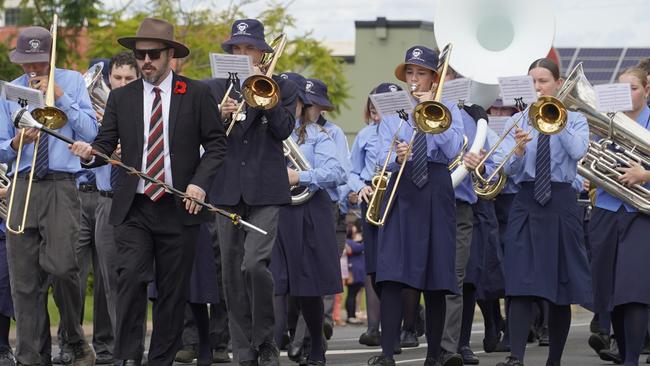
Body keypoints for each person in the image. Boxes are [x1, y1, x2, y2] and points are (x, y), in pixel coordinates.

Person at [69, 18, 226, 366]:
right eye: (140, 55)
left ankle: (161, 360)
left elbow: (216, 146)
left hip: (179, 207)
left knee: (172, 293)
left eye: (153, 54)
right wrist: (89, 153)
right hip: (134, 207)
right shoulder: (121, 98)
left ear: (171, 55)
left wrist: (199, 183)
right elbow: (106, 144)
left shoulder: (196, 93)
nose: (146, 62)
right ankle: (127, 357)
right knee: (130, 282)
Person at [0, 25, 98, 366]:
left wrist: (60, 95)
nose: (33, 69)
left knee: (63, 268)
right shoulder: (10, 90)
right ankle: (31, 355)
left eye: (39, 61)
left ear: (51, 57)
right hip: (23, 183)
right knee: (24, 279)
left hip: (61, 183)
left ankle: (73, 339)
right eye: (27, 62)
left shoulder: (72, 81)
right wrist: (16, 143)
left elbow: (92, 132)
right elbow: (0, 148)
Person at [203, 18, 298, 366]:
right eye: (237, 49)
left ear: (262, 53)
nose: (242, 54)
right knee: (230, 275)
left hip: (266, 189)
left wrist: (266, 96)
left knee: (254, 265)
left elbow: (285, 131)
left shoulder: (280, 87)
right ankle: (244, 352)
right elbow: (201, 136)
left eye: (249, 49)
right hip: (226, 189)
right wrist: (217, 114)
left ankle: (266, 341)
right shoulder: (213, 89)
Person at [367, 45, 464, 366]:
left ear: (434, 78)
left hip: (436, 188)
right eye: (410, 72)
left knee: (437, 276)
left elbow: (452, 150)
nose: (415, 79)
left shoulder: (450, 108)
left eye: (421, 73)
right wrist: (396, 156)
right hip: (402, 189)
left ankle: (435, 355)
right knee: (392, 273)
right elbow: (380, 153)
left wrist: (431, 118)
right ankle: (386, 352)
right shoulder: (394, 108)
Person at [495, 58, 592, 366]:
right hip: (525, 201)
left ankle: (554, 361)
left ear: (558, 84)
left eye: (543, 81)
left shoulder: (575, 119)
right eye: (533, 82)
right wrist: (519, 150)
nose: (538, 88)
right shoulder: (518, 120)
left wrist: (555, 120)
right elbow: (506, 169)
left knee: (561, 287)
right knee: (520, 283)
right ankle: (516, 357)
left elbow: (578, 152)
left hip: (561, 202)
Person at [270, 79, 346, 365]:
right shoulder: (267, 132)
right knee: (277, 284)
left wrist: (299, 176)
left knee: (307, 285)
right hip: (276, 209)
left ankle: (316, 343)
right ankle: (275, 343)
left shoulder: (316, 134)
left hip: (308, 211)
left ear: (302, 104)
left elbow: (336, 171)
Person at [588, 67, 650, 366]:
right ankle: (625, 356)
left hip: (641, 214)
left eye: (634, 88)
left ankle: (632, 360)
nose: (628, 94)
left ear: (647, 90)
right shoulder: (607, 121)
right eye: (622, 88)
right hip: (607, 209)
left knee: (634, 290)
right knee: (610, 290)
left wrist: (646, 173)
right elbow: (588, 156)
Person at [349, 82, 403, 348]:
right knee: (374, 266)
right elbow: (352, 171)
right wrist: (360, 187)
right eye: (376, 106)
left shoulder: (408, 131)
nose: (379, 111)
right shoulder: (365, 135)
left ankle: (401, 325)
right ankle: (374, 327)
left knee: (397, 265)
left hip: (401, 197)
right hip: (373, 197)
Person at [302, 77, 349, 340]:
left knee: (321, 270)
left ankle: (317, 327)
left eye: (314, 104)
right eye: (306, 103)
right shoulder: (291, 130)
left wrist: (337, 201)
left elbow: (342, 172)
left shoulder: (334, 132)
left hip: (326, 205)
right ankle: (306, 330)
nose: (309, 109)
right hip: (296, 204)